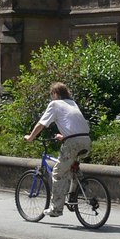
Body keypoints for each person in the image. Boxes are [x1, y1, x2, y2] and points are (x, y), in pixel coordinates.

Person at [24, 82, 92, 218]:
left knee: (57, 172)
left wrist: (31, 137)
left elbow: (41, 124)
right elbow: (74, 124)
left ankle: (56, 208)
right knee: (72, 168)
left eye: (52, 95)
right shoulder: (72, 103)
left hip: (72, 142)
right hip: (86, 141)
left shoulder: (55, 104)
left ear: (55, 94)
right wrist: (64, 136)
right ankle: (73, 196)